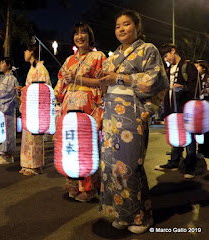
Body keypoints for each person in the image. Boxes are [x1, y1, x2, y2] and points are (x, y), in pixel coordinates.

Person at [95, 10, 168, 233]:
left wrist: (120, 78)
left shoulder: (148, 50)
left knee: (129, 166)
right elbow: (103, 82)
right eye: (118, 26)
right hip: (111, 115)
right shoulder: (114, 55)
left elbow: (155, 80)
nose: (121, 29)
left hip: (131, 113)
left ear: (137, 26)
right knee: (110, 166)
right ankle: (122, 214)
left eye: (126, 24)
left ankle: (141, 217)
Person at [54, 23, 106, 202]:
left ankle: (90, 188)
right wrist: (66, 82)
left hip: (88, 105)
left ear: (89, 35)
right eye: (76, 33)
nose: (80, 36)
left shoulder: (98, 56)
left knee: (86, 146)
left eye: (83, 32)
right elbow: (60, 86)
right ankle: (73, 185)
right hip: (70, 105)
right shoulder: (69, 60)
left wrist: (78, 79)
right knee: (70, 144)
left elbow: (103, 83)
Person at [155, 44, 198, 179]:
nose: (166, 59)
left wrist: (183, 87)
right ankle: (174, 162)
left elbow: (195, 87)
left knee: (189, 138)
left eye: (166, 56)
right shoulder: (168, 70)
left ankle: (190, 167)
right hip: (172, 109)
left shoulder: (187, 66)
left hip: (186, 108)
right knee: (175, 135)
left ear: (173, 51)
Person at [17, 40, 51, 176]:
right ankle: (27, 164)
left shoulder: (40, 69)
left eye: (26, 51)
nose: (24, 53)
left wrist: (26, 89)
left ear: (31, 52)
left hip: (36, 108)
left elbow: (41, 88)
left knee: (34, 137)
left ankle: (35, 165)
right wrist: (24, 89)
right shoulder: (32, 69)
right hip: (29, 107)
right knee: (27, 137)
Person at [0, 57, 19, 165]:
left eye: (2, 63)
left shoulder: (11, 78)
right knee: (3, 131)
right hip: (3, 108)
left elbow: (10, 93)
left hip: (7, 109)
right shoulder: (4, 78)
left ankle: (7, 155)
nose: (0, 65)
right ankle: (4, 154)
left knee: (7, 131)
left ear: (8, 65)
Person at [194, 60, 209, 158]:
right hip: (200, 106)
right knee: (201, 129)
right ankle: (201, 150)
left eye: (197, 67)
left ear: (203, 68)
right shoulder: (196, 78)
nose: (196, 69)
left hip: (207, 104)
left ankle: (205, 150)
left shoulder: (207, 78)